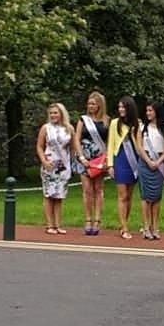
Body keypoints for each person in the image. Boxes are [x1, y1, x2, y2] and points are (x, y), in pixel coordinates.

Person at [73, 91, 111, 235]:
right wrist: (81, 157)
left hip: (99, 158)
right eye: (89, 103)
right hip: (85, 157)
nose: (91, 106)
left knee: (99, 189)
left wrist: (107, 157)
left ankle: (97, 219)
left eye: (93, 103)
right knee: (87, 190)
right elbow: (76, 139)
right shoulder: (83, 120)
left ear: (100, 105)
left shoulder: (107, 120)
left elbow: (109, 141)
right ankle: (88, 219)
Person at [36, 103, 74, 235]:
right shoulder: (45, 128)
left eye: (55, 113)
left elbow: (73, 148)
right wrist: (43, 160)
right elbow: (39, 146)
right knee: (49, 195)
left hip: (63, 166)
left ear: (62, 114)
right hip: (49, 164)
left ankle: (58, 224)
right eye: (51, 113)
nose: (53, 115)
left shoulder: (69, 128)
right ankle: (49, 225)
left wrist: (73, 163)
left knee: (59, 196)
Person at [106, 95, 140, 239]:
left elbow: (139, 144)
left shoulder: (137, 123)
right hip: (120, 159)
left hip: (133, 160)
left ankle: (123, 223)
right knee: (122, 195)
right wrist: (110, 164)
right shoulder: (114, 123)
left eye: (123, 107)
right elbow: (111, 143)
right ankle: (124, 228)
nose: (120, 109)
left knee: (130, 196)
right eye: (119, 107)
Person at [137, 101, 164, 240]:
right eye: (147, 111)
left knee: (156, 197)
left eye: (150, 110)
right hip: (145, 162)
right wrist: (149, 160)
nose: (148, 113)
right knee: (145, 196)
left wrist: (158, 161)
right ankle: (146, 226)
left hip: (159, 163)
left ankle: (155, 227)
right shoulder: (142, 127)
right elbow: (139, 146)